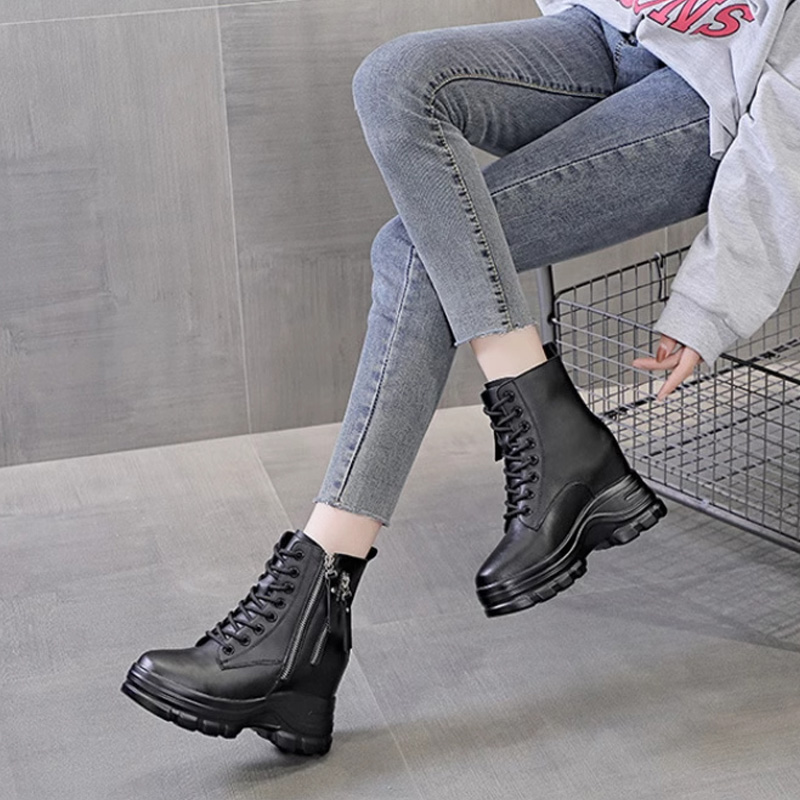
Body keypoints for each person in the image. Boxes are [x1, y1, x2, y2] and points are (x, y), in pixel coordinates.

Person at [121, 0, 800, 758]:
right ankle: (555, 432)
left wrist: (711, 303)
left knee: (412, 253)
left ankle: (303, 629)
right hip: (607, 33)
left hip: (724, 93)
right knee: (395, 80)